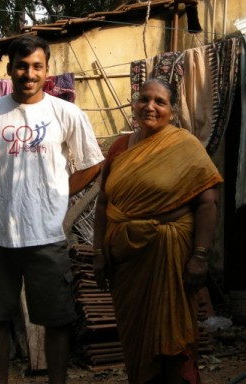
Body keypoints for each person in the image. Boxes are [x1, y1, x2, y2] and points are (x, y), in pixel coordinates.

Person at [0, 34, 103, 384]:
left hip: (46, 236)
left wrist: (58, 193)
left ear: (47, 70)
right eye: (22, 66)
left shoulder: (65, 113)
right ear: (10, 69)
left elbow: (92, 164)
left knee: (57, 321)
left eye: (37, 66)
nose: (29, 74)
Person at [92, 78, 222, 384]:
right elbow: (103, 202)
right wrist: (98, 252)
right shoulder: (119, 147)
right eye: (144, 99)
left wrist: (200, 256)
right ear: (134, 104)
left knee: (172, 344)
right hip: (126, 261)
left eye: (160, 102)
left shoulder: (185, 145)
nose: (150, 106)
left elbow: (207, 202)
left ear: (172, 111)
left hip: (171, 257)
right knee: (136, 338)